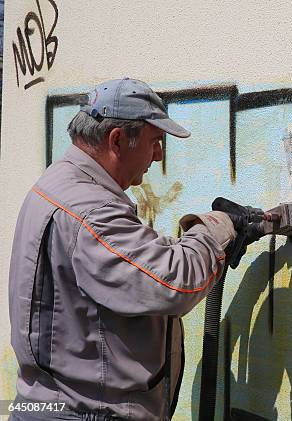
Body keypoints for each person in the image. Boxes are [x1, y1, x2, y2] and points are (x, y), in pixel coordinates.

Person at [8, 78, 238, 420]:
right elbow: (174, 284)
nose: (158, 154)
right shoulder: (91, 213)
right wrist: (213, 231)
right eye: (155, 141)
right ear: (117, 140)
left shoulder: (57, 184)